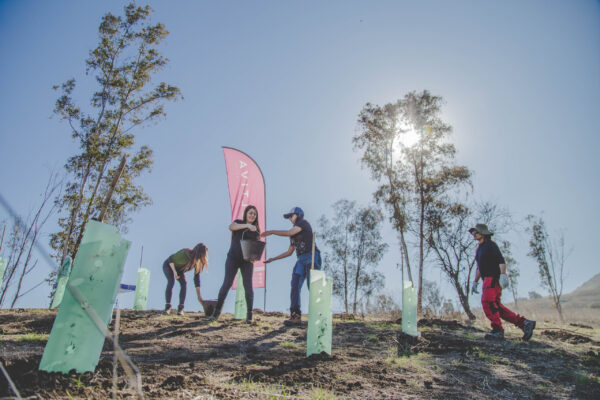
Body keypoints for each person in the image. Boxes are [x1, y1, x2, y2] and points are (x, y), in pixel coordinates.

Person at [470, 223, 535, 341]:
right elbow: (479, 267)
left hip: (493, 278)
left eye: (476, 232)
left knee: (488, 303)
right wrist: (475, 282)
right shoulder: (479, 248)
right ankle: (525, 324)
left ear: (483, 233)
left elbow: (501, 260)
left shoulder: (491, 245)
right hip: (486, 280)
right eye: (473, 232)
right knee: (497, 307)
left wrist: (503, 275)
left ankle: (497, 331)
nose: (474, 234)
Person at [261, 207, 322, 326]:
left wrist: (271, 232)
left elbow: (289, 232)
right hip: (300, 259)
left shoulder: (303, 223)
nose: (289, 218)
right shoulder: (293, 234)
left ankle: (318, 315)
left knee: (313, 285)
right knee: (294, 284)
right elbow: (289, 252)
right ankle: (295, 315)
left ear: (298, 215)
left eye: (291, 216)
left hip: (312, 256)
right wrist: (273, 259)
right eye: (288, 217)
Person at [210, 205, 260, 323]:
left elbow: (255, 248)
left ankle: (249, 315)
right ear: (246, 214)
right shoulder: (239, 223)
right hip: (232, 258)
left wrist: (254, 258)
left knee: (248, 286)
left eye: (254, 214)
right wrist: (247, 225)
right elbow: (231, 227)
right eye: (250, 213)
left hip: (246, 262)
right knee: (226, 284)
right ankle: (216, 313)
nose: (252, 215)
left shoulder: (256, 231)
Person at [163, 243, 209, 316]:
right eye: (204, 254)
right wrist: (174, 272)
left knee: (184, 283)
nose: (205, 257)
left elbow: (196, 279)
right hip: (169, 266)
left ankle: (180, 309)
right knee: (171, 281)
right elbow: (170, 259)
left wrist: (199, 296)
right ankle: (167, 307)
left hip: (179, 270)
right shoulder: (185, 253)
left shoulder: (198, 263)